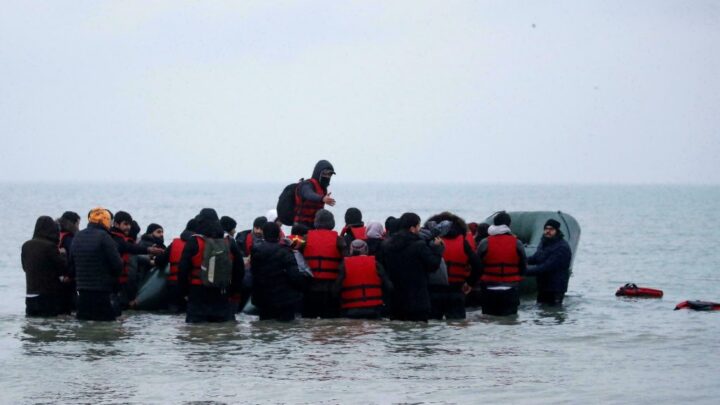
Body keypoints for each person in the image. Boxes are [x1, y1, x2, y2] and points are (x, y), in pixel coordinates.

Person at [179, 208, 244, 323]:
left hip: (197, 293)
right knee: (223, 333)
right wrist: (234, 291)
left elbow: (183, 270)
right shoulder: (229, 241)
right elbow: (239, 270)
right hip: (222, 293)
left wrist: (184, 292)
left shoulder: (194, 242)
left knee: (196, 334)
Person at [378, 212, 444, 322]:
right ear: (412, 228)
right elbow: (433, 266)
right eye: (418, 226)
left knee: (399, 334)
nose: (419, 229)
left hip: (396, 302)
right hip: (418, 301)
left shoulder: (387, 246)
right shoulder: (419, 245)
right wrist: (437, 250)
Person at [426, 212, 482, 320]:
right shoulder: (462, 242)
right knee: (457, 326)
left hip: (433, 292)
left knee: (433, 327)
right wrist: (470, 283)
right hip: (456, 291)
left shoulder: (430, 241)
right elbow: (478, 266)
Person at [71, 208, 123, 321]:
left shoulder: (78, 236)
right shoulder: (105, 237)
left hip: (82, 293)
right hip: (102, 292)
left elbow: (71, 265)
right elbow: (118, 264)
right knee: (105, 329)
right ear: (105, 221)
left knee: (84, 329)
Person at [250, 222, 306, 321]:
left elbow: (254, 273)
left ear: (264, 234)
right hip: (284, 299)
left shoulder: (256, 250)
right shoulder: (285, 251)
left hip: (263, 299)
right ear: (279, 234)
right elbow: (294, 276)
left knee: (265, 328)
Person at [109, 211, 164, 309]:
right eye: (125, 224)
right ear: (116, 224)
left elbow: (132, 251)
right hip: (115, 283)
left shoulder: (120, 239)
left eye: (129, 224)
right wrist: (149, 251)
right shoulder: (115, 239)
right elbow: (131, 251)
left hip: (121, 283)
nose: (128, 227)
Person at [476, 211, 527, 316]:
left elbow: (477, 265)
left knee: (489, 321)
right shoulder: (517, 243)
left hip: (489, 289)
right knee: (509, 323)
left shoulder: (484, 242)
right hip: (510, 290)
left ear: (494, 224)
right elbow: (523, 265)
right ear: (509, 225)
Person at [301, 209, 348, 318]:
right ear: (332, 223)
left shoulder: (305, 238)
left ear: (316, 222)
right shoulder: (339, 240)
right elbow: (347, 261)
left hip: (311, 288)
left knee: (309, 321)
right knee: (331, 322)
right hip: (331, 289)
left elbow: (295, 252)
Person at [21, 216, 68, 317]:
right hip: (47, 296)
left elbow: (25, 267)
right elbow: (63, 268)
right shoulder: (50, 247)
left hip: (30, 295)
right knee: (49, 327)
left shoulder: (26, 245)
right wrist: (63, 254)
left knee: (33, 327)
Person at [334, 240, 393, 319]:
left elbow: (336, 289)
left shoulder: (344, 265)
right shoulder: (376, 264)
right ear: (366, 250)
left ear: (351, 250)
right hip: (374, 310)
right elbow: (389, 287)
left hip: (350, 310)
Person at [525, 219, 572, 306]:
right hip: (543, 286)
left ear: (557, 231)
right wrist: (521, 260)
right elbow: (536, 258)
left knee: (553, 312)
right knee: (541, 312)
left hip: (555, 288)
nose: (548, 231)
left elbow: (547, 267)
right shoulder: (543, 242)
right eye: (546, 228)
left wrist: (524, 272)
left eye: (551, 229)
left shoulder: (562, 247)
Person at [157, 219, 197, 313]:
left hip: (173, 286)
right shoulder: (199, 244)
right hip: (192, 287)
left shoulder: (174, 243)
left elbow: (160, 261)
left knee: (173, 315)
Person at [293, 160, 336, 228]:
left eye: (329, 174)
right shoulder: (306, 184)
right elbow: (308, 194)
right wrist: (322, 198)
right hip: (300, 226)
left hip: (314, 226)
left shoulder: (323, 189)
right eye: (325, 174)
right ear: (318, 173)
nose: (327, 177)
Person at [57, 211, 81, 313]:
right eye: (78, 224)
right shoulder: (70, 239)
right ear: (74, 224)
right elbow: (74, 259)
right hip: (68, 279)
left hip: (56, 278)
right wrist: (70, 275)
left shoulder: (56, 236)